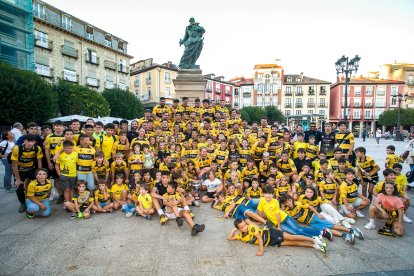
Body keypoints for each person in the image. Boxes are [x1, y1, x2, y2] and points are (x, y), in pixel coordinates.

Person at [228, 219, 327, 255]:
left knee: (292, 237)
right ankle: (314, 246)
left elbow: (258, 238)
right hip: (270, 243)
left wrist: (261, 251)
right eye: (242, 227)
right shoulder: (241, 236)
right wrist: (234, 230)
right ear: (239, 229)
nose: (245, 227)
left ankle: (314, 239)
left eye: (245, 225)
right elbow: (230, 238)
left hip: (271, 234)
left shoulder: (251, 228)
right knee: (292, 244)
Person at [11, 134, 43, 213]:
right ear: (24, 141)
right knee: (19, 188)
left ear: (34, 142)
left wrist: (39, 173)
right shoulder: (17, 149)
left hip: (31, 169)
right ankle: (23, 203)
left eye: (32, 141)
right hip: (20, 170)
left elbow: (39, 161)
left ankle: (38, 200)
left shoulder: (37, 148)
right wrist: (18, 179)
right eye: (28, 141)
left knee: (39, 184)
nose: (29, 143)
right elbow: (14, 165)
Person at [55, 140, 78, 206]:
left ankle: (72, 204)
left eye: (72, 148)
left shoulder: (75, 154)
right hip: (64, 175)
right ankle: (67, 204)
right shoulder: (60, 155)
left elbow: (77, 163)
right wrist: (59, 174)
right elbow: (56, 165)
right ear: (64, 148)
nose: (71, 149)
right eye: (69, 148)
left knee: (72, 190)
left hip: (73, 175)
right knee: (66, 190)